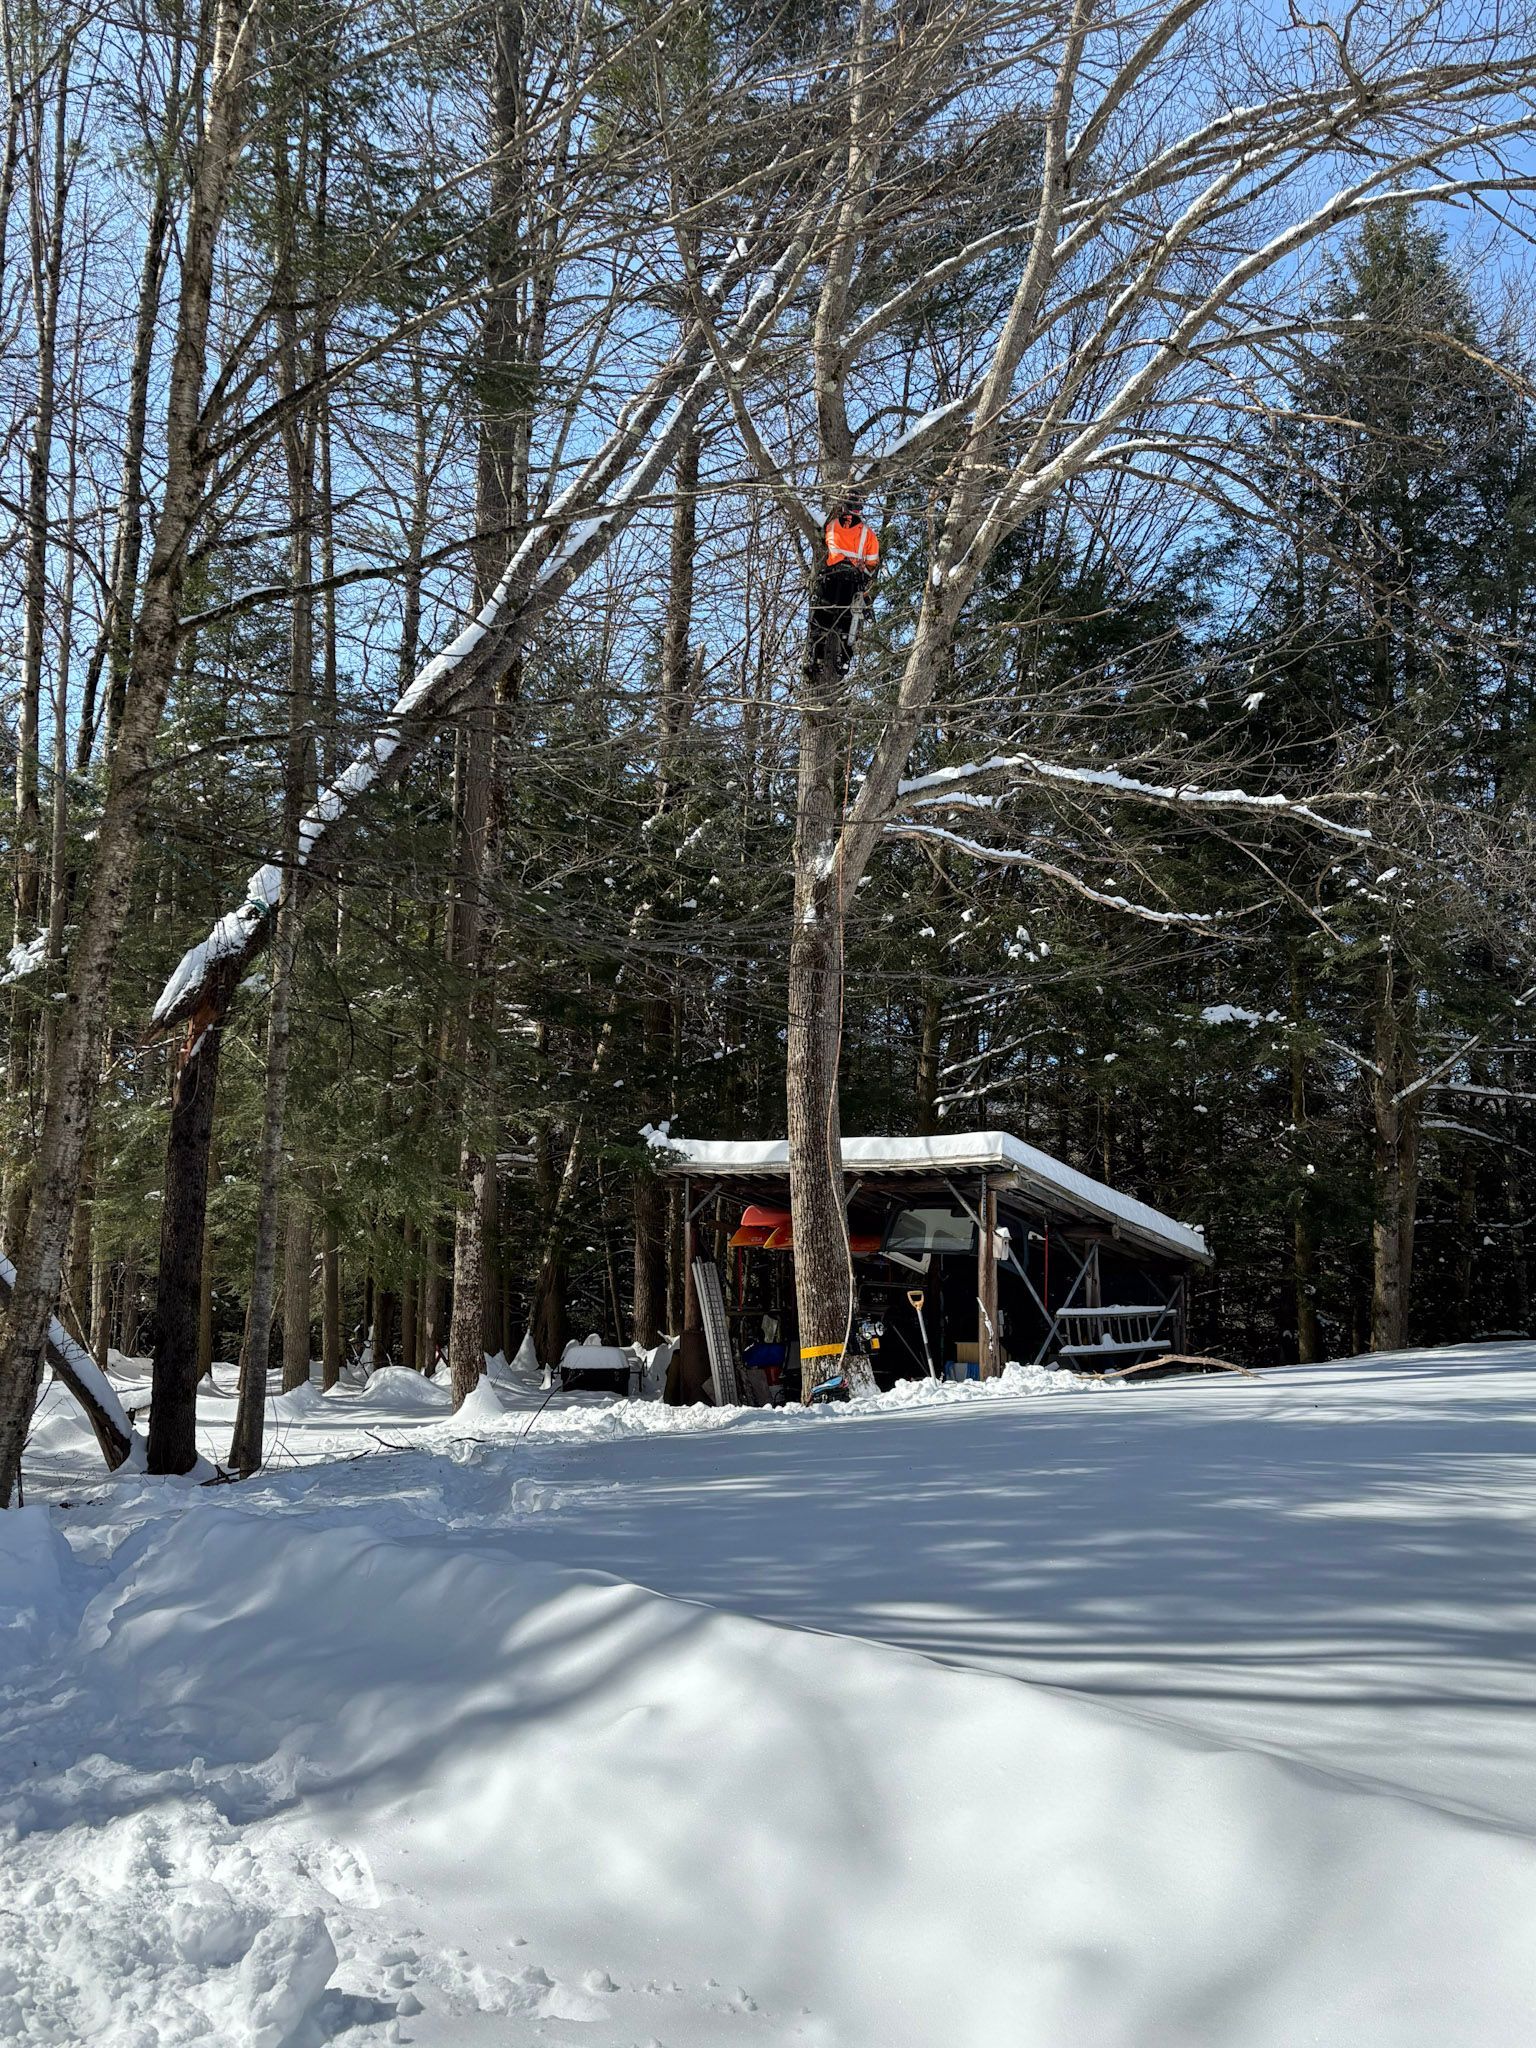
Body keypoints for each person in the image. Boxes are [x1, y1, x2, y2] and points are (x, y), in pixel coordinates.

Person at [807, 497, 879, 680]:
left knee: (821, 618)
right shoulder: (868, 534)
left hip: (831, 578)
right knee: (848, 622)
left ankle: (816, 657)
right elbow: (872, 564)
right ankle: (844, 658)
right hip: (852, 581)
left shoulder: (830, 526)